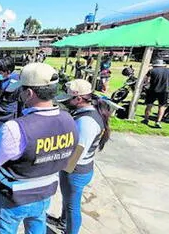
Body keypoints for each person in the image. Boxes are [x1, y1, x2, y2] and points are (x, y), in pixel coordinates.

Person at [0, 63, 79, 234]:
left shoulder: (15, 128)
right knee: (37, 227)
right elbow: (70, 157)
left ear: (28, 93)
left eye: (21, 90)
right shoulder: (69, 120)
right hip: (45, 193)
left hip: (13, 197)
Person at [48, 79, 112, 234]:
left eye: (68, 99)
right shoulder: (88, 111)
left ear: (79, 99)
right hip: (78, 169)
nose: (65, 103)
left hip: (75, 171)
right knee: (68, 201)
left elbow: (77, 153)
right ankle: (63, 222)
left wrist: (56, 167)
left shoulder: (86, 122)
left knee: (72, 207)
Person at [141, 59, 169, 128]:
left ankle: (146, 119)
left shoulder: (152, 71)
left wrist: (146, 85)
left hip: (152, 90)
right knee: (162, 106)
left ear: (155, 65)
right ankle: (158, 122)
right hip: (165, 91)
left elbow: (146, 81)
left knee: (149, 105)